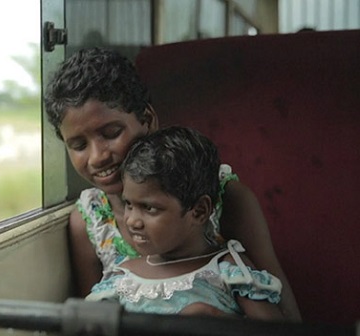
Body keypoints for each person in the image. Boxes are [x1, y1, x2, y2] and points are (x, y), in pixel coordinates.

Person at [43, 47, 301, 321]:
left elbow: (286, 318)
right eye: (79, 145)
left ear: (147, 120)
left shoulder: (224, 197)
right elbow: (95, 322)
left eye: (111, 133)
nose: (97, 156)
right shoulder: (90, 223)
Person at [85, 126, 284, 320]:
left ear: (198, 211)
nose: (132, 221)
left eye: (149, 208)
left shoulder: (229, 272)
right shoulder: (122, 280)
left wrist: (214, 317)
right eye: (128, 204)